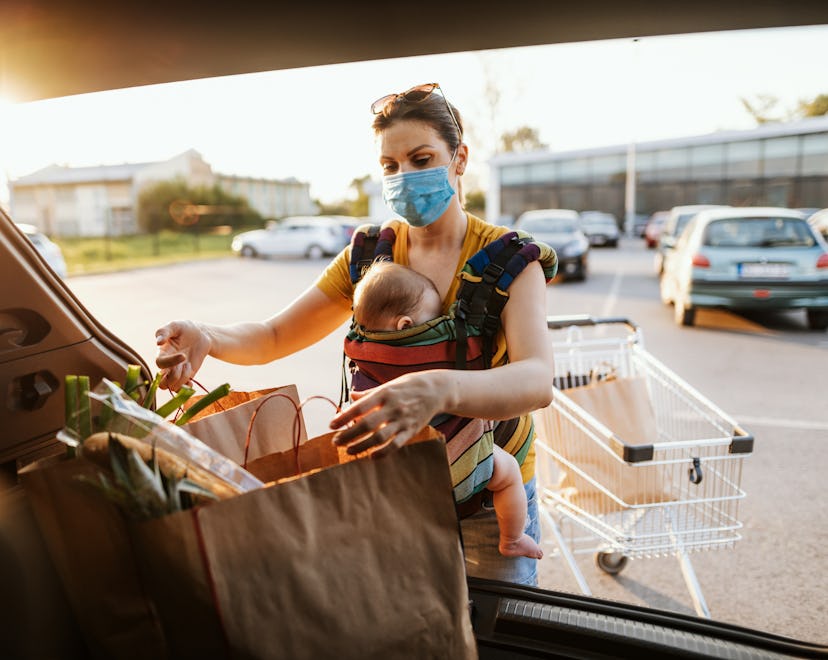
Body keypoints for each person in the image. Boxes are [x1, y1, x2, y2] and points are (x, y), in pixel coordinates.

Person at [155, 82, 555, 585]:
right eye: (391, 166)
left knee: (500, 631)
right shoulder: (369, 256)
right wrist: (208, 336)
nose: (404, 175)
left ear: (459, 159)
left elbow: (537, 379)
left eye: (421, 157)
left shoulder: (510, 260)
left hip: (488, 491)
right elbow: (275, 335)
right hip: (392, 486)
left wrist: (438, 387)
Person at [352, 260, 543, 559]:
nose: (436, 322)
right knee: (507, 475)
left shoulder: (361, 349)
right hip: (458, 460)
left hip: (403, 476)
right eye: (432, 317)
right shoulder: (436, 346)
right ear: (405, 325)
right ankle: (513, 538)